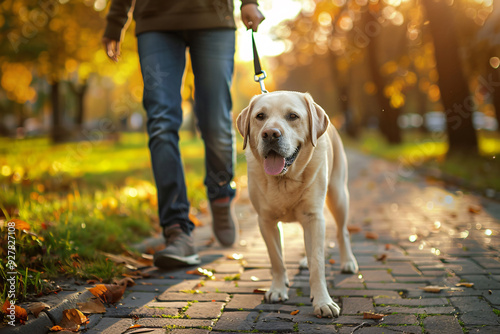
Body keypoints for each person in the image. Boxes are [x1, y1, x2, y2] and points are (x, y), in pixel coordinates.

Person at [102, 1, 264, 268]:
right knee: (161, 122)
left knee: (216, 121)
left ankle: (221, 193)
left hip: (212, 15)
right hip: (156, 19)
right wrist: (115, 19)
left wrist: (249, 3)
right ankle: (176, 229)